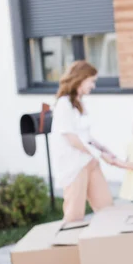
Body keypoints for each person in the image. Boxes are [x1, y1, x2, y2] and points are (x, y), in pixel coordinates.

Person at [50, 60, 114, 222]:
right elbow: (72, 139)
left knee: (106, 207)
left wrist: (103, 148)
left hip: (89, 160)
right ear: (81, 79)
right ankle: (67, 245)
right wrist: (99, 154)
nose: (93, 86)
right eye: (91, 81)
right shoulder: (63, 104)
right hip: (74, 165)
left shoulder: (79, 103)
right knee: (75, 214)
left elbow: (84, 135)